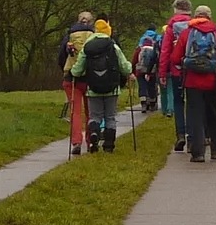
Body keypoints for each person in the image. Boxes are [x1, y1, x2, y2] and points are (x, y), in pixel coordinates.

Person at [170, 5, 216, 162]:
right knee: (212, 113)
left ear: (195, 17)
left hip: (192, 82)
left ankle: (197, 152)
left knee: (195, 115)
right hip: (212, 81)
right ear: (210, 17)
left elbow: (175, 58)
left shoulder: (186, 34)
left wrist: (185, 63)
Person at [69, 19, 133, 153]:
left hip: (93, 88)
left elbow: (77, 70)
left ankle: (94, 135)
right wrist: (130, 69)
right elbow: (125, 68)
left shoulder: (88, 47)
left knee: (95, 116)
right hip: (112, 88)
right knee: (110, 117)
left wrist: (73, 72)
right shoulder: (113, 46)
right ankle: (109, 145)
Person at [58, 11, 95, 155]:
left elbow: (61, 57)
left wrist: (67, 71)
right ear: (91, 22)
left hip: (72, 78)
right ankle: (91, 140)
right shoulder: (95, 36)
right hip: (91, 78)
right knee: (91, 111)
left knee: (76, 112)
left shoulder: (70, 36)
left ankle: (76, 142)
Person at [158, 0, 193, 152]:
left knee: (178, 103)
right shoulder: (194, 25)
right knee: (192, 103)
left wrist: (162, 73)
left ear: (175, 9)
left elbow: (165, 51)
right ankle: (193, 136)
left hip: (176, 70)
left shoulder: (171, 27)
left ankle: (180, 135)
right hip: (192, 70)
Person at [132, 26, 160, 112]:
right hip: (151, 71)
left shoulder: (140, 47)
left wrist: (133, 71)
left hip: (140, 71)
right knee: (152, 86)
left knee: (142, 86)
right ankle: (152, 104)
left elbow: (134, 61)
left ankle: (144, 104)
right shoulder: (155, 45)